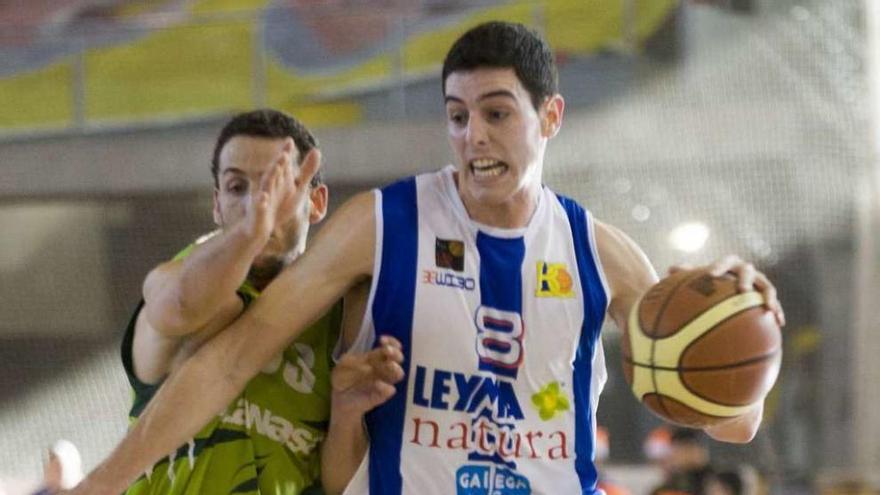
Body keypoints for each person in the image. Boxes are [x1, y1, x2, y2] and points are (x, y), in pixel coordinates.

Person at [67, 21, 785, 495]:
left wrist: (746, 324)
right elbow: (228, 358)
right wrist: (103, 481)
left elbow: (732, 422)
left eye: (497, 112)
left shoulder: (599, 251)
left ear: (551, 118)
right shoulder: (382, 223)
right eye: (457, 114)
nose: (473, 134)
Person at [115, 108, 369, 495]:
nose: (258, 202)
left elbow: (342, 485)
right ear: (217, 204)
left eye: (278, 186)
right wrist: (251, 234)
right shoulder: (180, 278)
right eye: (238, 188)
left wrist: (350, 413)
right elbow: (177, 309)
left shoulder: (342, 318)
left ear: (316, 202)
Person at [649, 427, 715, 495]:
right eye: (675, 452)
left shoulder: (712, 477)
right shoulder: (674, 479)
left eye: (681, 452)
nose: (676, 457)